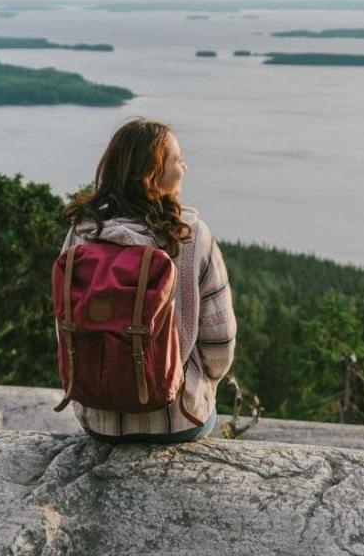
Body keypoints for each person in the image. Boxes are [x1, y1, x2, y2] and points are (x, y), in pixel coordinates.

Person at [59, 118, 236, 444]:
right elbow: (219, 344)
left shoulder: (82, 232)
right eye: (178, 159)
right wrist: (202, 384)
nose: (185, 166)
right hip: (179, 421)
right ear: (153, 176)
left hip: (100, 421)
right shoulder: (192, 236)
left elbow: (66, 326)